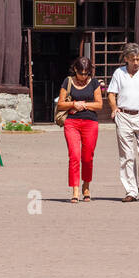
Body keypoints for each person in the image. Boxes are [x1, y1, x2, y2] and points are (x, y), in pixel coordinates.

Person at [106, 43, 139, 202]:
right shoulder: (119, 73)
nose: (136, 62)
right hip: (124, 116)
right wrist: (114, 107)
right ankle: (131, 190)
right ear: (126, 59)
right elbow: (111, 93)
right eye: (132, 59)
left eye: (138, 59)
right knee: (127, 156)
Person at [57, 57, 103, 204]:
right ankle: (75, 189)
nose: (84, 76)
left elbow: (99, 105)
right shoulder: (68, 81)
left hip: (90, 122)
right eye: (81, 73)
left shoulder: (94, 82)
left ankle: (86, 185)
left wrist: (84, 105)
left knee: (87, 157)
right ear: (75, 70)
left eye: (87, 73)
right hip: (72, 123)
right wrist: (73, 104)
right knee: (74, 156)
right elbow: (60, 104)